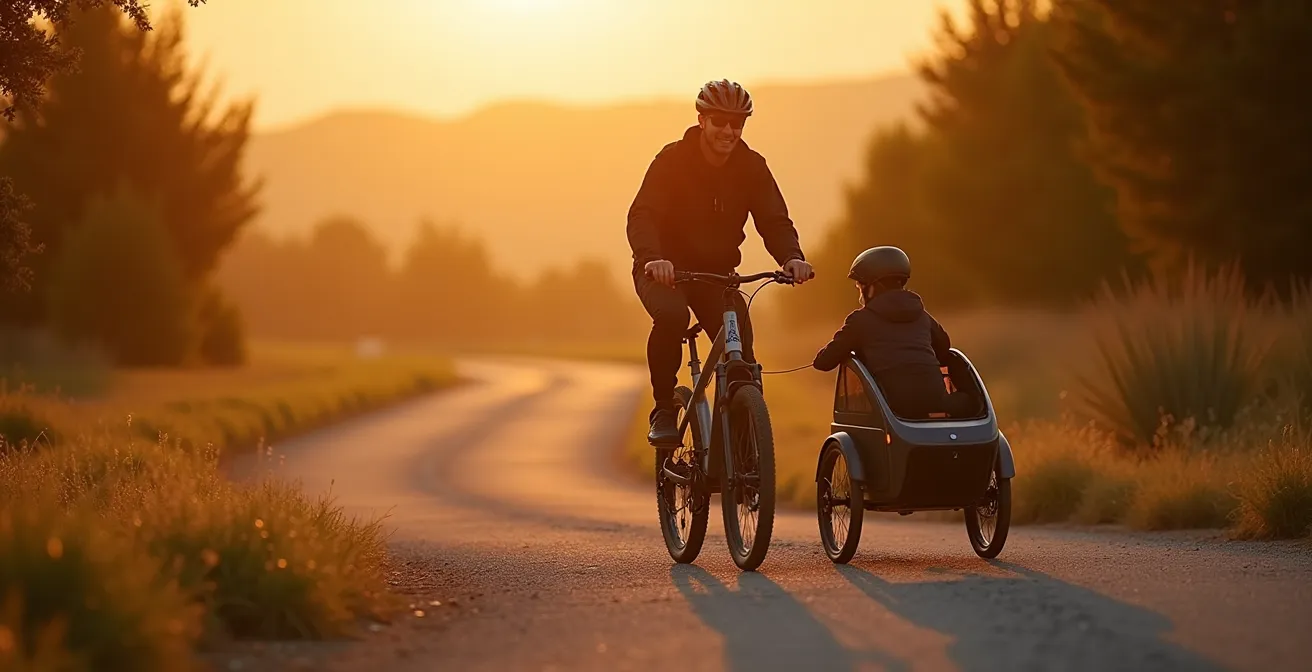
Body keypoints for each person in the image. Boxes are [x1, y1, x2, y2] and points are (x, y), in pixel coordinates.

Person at [627, 78, 814, 445]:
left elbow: (774, 220)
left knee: (740, 354)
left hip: (716, 277)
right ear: (701, 120)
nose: (729, 131)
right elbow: (642, 215)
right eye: (720, 121)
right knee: (672, 316)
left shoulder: (751, 167)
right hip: (663, 271)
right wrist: (654, 258)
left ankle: (744, 455)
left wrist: (792, 257)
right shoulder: (672, 161)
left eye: (738, 123)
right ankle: (664, 407)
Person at [811, 246, 977, 419]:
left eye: (860, 285)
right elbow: (944, 348)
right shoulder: (921, 316)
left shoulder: (860, 320)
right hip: (937, 402)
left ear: (873, 286)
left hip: (890, 408)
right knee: (963, 381)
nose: (859, 291)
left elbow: (824, 363)